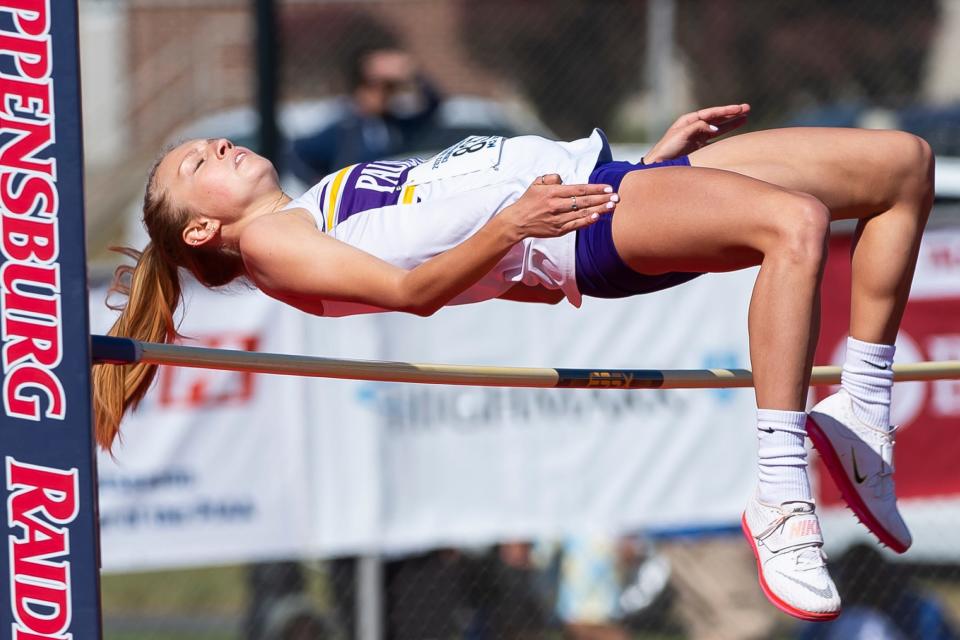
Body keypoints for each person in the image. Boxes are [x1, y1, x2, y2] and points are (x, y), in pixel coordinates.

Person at [93, 103, 934, 622]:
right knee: (794, 224)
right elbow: (414, 290)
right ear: (201, 231)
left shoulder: (314, 204)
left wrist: (652, 171)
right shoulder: (277, 244)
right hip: (581, 221)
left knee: (901, 166)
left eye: (207, 144)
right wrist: (518, 228)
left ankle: (859, 414)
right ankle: (781, 500)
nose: (214, 146)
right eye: (196, 164)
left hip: (603, 181)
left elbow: (466, 240)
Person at [288, 47, 441, 184]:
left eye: (388, 89)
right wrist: (317, 183)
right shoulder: (345, 129)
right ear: (359, 90)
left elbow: (433, 105)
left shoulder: (395, 125)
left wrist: (411, 72)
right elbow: (296, 153)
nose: (382, 96)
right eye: (374, 88)